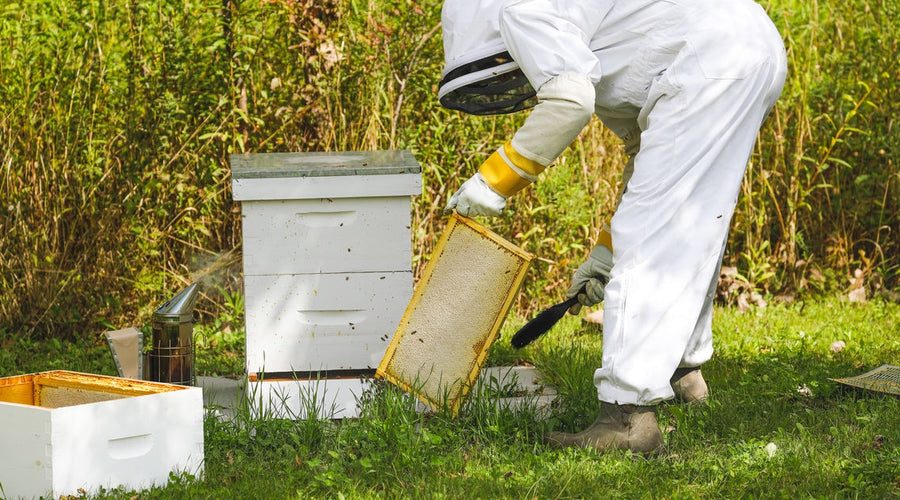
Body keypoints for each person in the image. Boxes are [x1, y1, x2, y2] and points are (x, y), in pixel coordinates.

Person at [439, 0, 787, 455]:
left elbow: (568, 102)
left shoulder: (519, 11)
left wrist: (494, 180)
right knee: (694, 216)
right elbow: (647, 160)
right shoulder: (598, 33)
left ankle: (626, 417)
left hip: (713, 59)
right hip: (747, 45)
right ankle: (683, 372)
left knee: (657, 238)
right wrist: (606, 255)